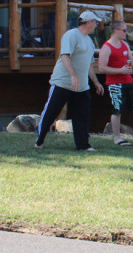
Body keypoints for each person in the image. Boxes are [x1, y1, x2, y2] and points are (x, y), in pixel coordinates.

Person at [35, 11, 105, 151]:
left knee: (82, 114)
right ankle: (39, 140)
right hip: (63, 82)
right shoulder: (71, 35)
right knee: (51, 111)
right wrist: (73, 75)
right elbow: (65, 56)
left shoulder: (90, 42)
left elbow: (89, 65)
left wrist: (96, 82)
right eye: (95, 22)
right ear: (88, 21)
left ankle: (83, 145)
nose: (96, 25)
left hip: (82, 86)